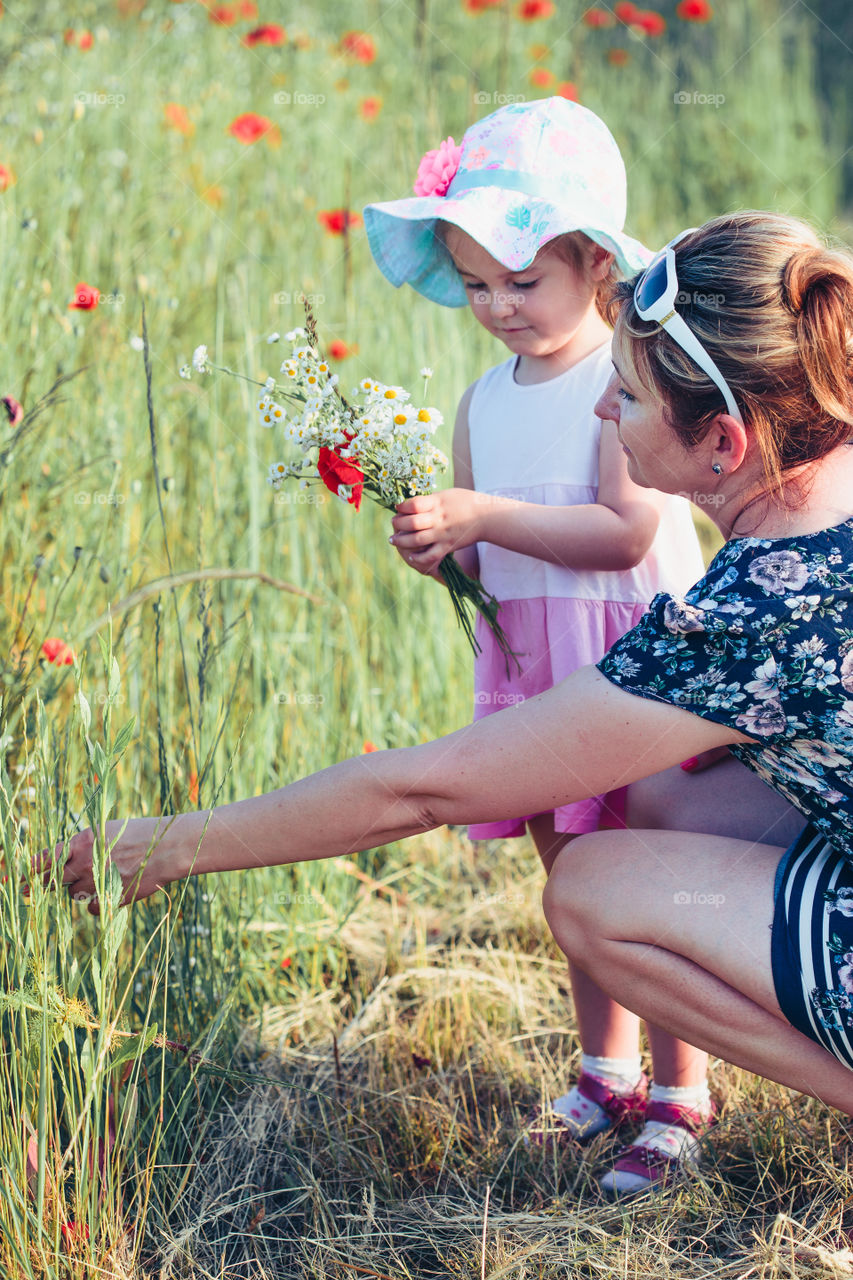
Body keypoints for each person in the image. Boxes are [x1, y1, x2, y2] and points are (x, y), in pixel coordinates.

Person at [57, 210, 853, 1195]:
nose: (603, 409)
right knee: (658, 797)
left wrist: (175, 842)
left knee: (595, 886)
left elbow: (427, 791)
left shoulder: (766, 601)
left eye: (629, 393)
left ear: (723, 442)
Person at [362, 97, 710, 1188]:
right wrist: (441, 548)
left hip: (630, 668)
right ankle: (602, 1069)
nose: (498, 305)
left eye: (523, 280)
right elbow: (494, 554)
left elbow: (621, 535)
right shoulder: (479, 400)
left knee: (645, 872)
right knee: (566, 880)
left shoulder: (620, 386)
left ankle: (678, 1088)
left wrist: (483, 517)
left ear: (591, 267)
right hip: (537, 667)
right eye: (473, 283)